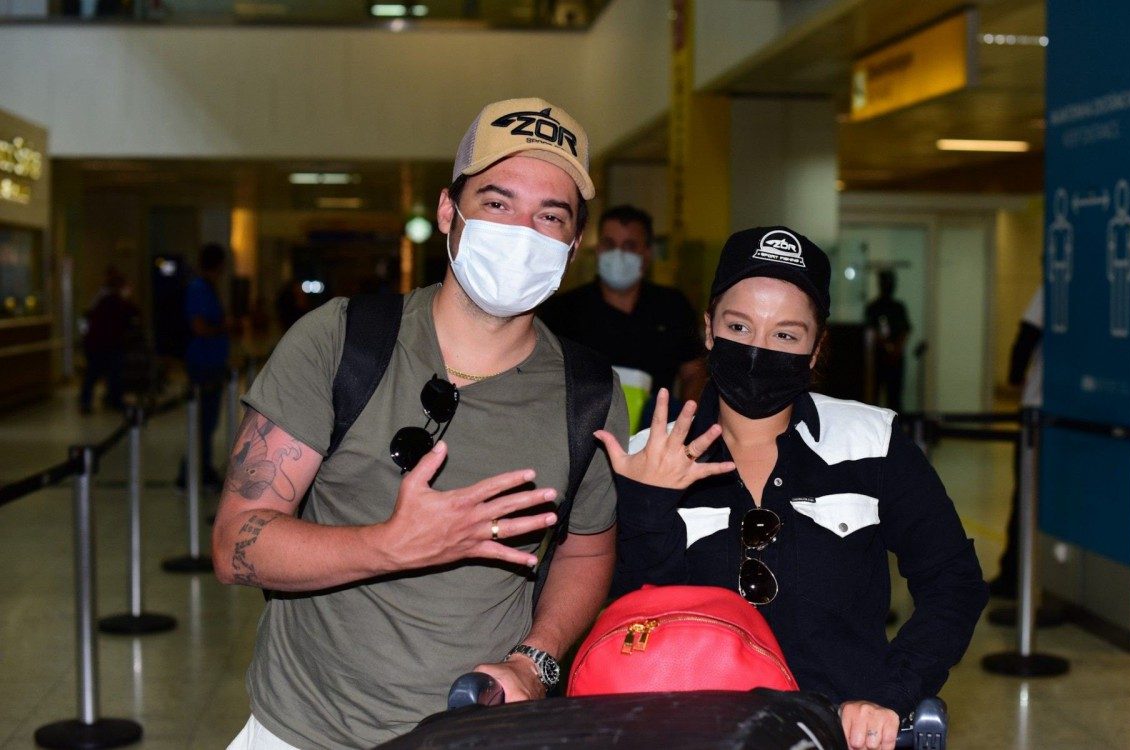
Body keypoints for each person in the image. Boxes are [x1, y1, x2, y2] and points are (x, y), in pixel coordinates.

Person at [213, 97, 626, 748]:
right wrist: (388, 545)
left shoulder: (588, 392)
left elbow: (588, 545)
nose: (523, 231)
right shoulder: (339, 340)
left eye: (551, 216)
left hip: (476, 733)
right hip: (302, 732)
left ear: (574, 246)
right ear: (447, 212)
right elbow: (236, 543)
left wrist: (536, 660)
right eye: (497, 203)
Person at [599, 226, 988, 750]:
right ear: (709, 328)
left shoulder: (873, 441)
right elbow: (620, 617)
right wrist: (648, 503)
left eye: (786, 334)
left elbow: (953, 580)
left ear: (816, 348)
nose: (758, 349)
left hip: (841, 733)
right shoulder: (648, 453)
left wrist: (890, 694)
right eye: (739, 325)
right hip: (691, 731)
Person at [540, 204, 707, 429]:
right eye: (609, 244)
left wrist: (686, 425)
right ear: (598, 249)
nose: (618, 254)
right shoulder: (562, 310)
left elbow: (694, 372)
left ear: (647, 254)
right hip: (584, 429)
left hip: (655, 432)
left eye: (629, 246)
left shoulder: (672, 305)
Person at [991, 285, 1044, 598]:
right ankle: (1017, 572)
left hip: (1037, 407)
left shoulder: (1049, 289)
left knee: (1025, 494)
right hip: (1056, 409)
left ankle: (1014, 574)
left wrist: (1014, 376)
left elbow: (1027, 335)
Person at [176, 243, 231, 491]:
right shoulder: (199, 289)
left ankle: (202, 467)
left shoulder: (208, 288)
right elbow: (199, 327)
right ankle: (190, 472)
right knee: (202, 422)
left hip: (212, 362)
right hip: (203, 363)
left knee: (207, 422)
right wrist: (223, 328)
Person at [80, 266, 139, 414]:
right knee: (109, 372)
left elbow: (88, 315)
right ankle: (112, 400)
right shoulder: (115, 301)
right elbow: (132, 314)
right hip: (107, 343)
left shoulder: (101, 298)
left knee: (95, 373)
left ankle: (90, 401)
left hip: (98, 343)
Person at [865, 270, 910, 411]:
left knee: (895, 399)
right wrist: (886, 346)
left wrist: (896, 350)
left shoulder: (898, 307)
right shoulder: (873, 307)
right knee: (874, 399)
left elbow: (905, 330)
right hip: (878, 359)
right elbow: (870, 332)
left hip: (895, 359)